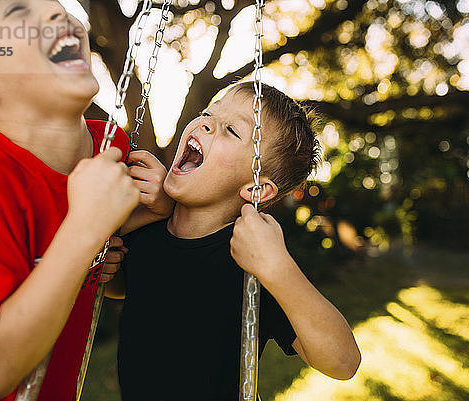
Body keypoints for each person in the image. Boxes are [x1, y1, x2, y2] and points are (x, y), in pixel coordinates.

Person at [0, 1, 173, 400]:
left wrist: (152, 219)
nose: (56, 13)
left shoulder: (111, 147)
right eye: (15, 11)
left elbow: (111, 284)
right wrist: (84, 230)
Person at [106, 82, 361, 401]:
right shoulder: (152, 229)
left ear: (256, 188)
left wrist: (279, 269)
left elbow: (343, 363)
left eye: (230, 130)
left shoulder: (251, 260)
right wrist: (118, 262)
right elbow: (125, 286)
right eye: (208, 113)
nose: (206, 122)